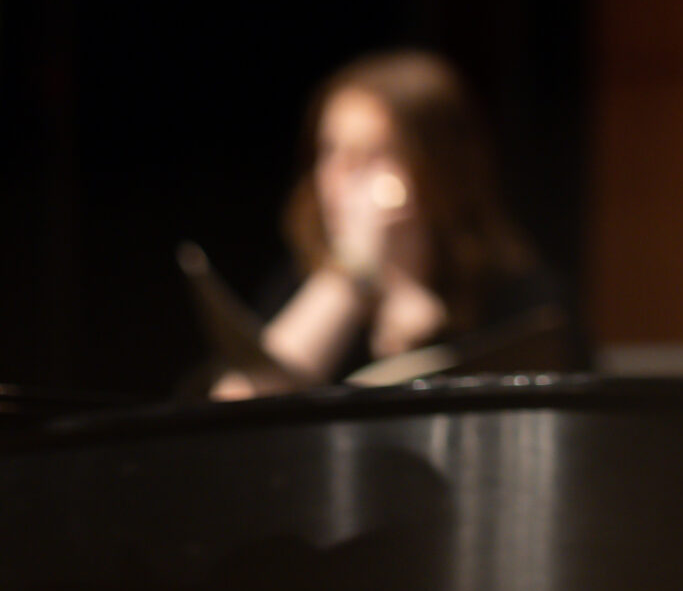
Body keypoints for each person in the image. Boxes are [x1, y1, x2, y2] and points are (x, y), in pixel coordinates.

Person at [213, 49, 575, 397]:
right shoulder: (300, 283)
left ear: (437, 168)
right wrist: (352, 273)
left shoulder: (515, 294)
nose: (341, 178)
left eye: (373, 154)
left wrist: (422, 339)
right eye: (330, 151)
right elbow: (238, 403)